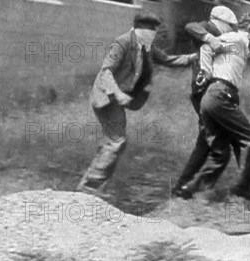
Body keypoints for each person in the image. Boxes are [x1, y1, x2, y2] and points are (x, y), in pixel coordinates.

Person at [77, 12, 196, 194]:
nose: (153, 35)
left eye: (154, 31)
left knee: (114, 142)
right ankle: (88, 190)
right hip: (107, 97)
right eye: (151, 31)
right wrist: (117, 93)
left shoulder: (146, 47)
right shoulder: (123, 42)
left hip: (116, 99)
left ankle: (89, 188)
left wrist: (194, 57)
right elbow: (106, 72)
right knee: (116, 142)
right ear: (140, 29)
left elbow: (167, 60)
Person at [173, 11, 250, 199]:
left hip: (214, 98)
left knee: (221, 154)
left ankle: (189, 190)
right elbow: (207, 48)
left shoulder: (242, 44)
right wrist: (206, 72)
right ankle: (242, 187)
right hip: (220, 94)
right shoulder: (236, 39)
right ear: (249, 28)